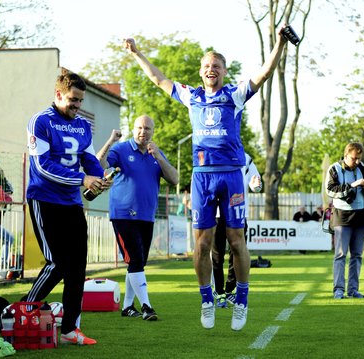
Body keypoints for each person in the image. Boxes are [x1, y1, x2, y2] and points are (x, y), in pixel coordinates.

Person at [123, 26, 287, 331]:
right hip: (202, 178)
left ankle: (242, 299)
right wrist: (137, 54)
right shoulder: (192, 96)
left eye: (216, 65)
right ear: (201, 72)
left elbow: (264, 73)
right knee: (202, 244)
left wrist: (278, 42)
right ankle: (207, 300)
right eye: (206, 66)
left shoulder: (234, 94)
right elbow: (159, 79)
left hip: (230, 176)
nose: (211, 69)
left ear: (224, 71)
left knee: (237, 242)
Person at [24, 72, 113, 345]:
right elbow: (42, 167)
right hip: (44, 199)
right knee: (57, 263)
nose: (77, 105)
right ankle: (24, 309)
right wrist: (82, 179)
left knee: (77, 267)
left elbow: (88, 158)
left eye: (80, 101)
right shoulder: (40, 121)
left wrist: (98, 177)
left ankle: (70, 329)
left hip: (72, 203)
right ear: (59, 94)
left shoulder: (83, 125)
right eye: (73, 100)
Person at [97, 115, 178, 321]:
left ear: (152, 132)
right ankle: (146, 306)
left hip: (146, 216)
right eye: (139, 128)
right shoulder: (121, 149)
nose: (143, 132)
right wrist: (110, 141)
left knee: (137, 262)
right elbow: (99, 163)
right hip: (123, 214)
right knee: (134, 259)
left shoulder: (156, 153)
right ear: (134, 129)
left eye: (147, 129)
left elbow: (175, 179)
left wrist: (159, 156)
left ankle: (127, 307)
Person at [211, 153, 262, 308]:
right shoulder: (213, 153)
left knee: (237, 253)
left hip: (239, 213)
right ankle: (218, 292)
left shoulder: (245, 158)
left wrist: (256, 185)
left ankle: (228, 290)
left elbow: (256, 186)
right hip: (217, 213)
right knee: (217, 254)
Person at [325, 142, 364, 299]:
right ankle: (338, 290)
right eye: (354, 158)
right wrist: (353, 185)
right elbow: (330, 190)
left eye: (359, 158)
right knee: (340, 254)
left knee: (357, 255)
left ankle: (353, 290)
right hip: (342, 217)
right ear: (346, 155)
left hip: (361, 216)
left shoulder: (362, 168)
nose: (357, 162)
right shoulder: (334, 169)